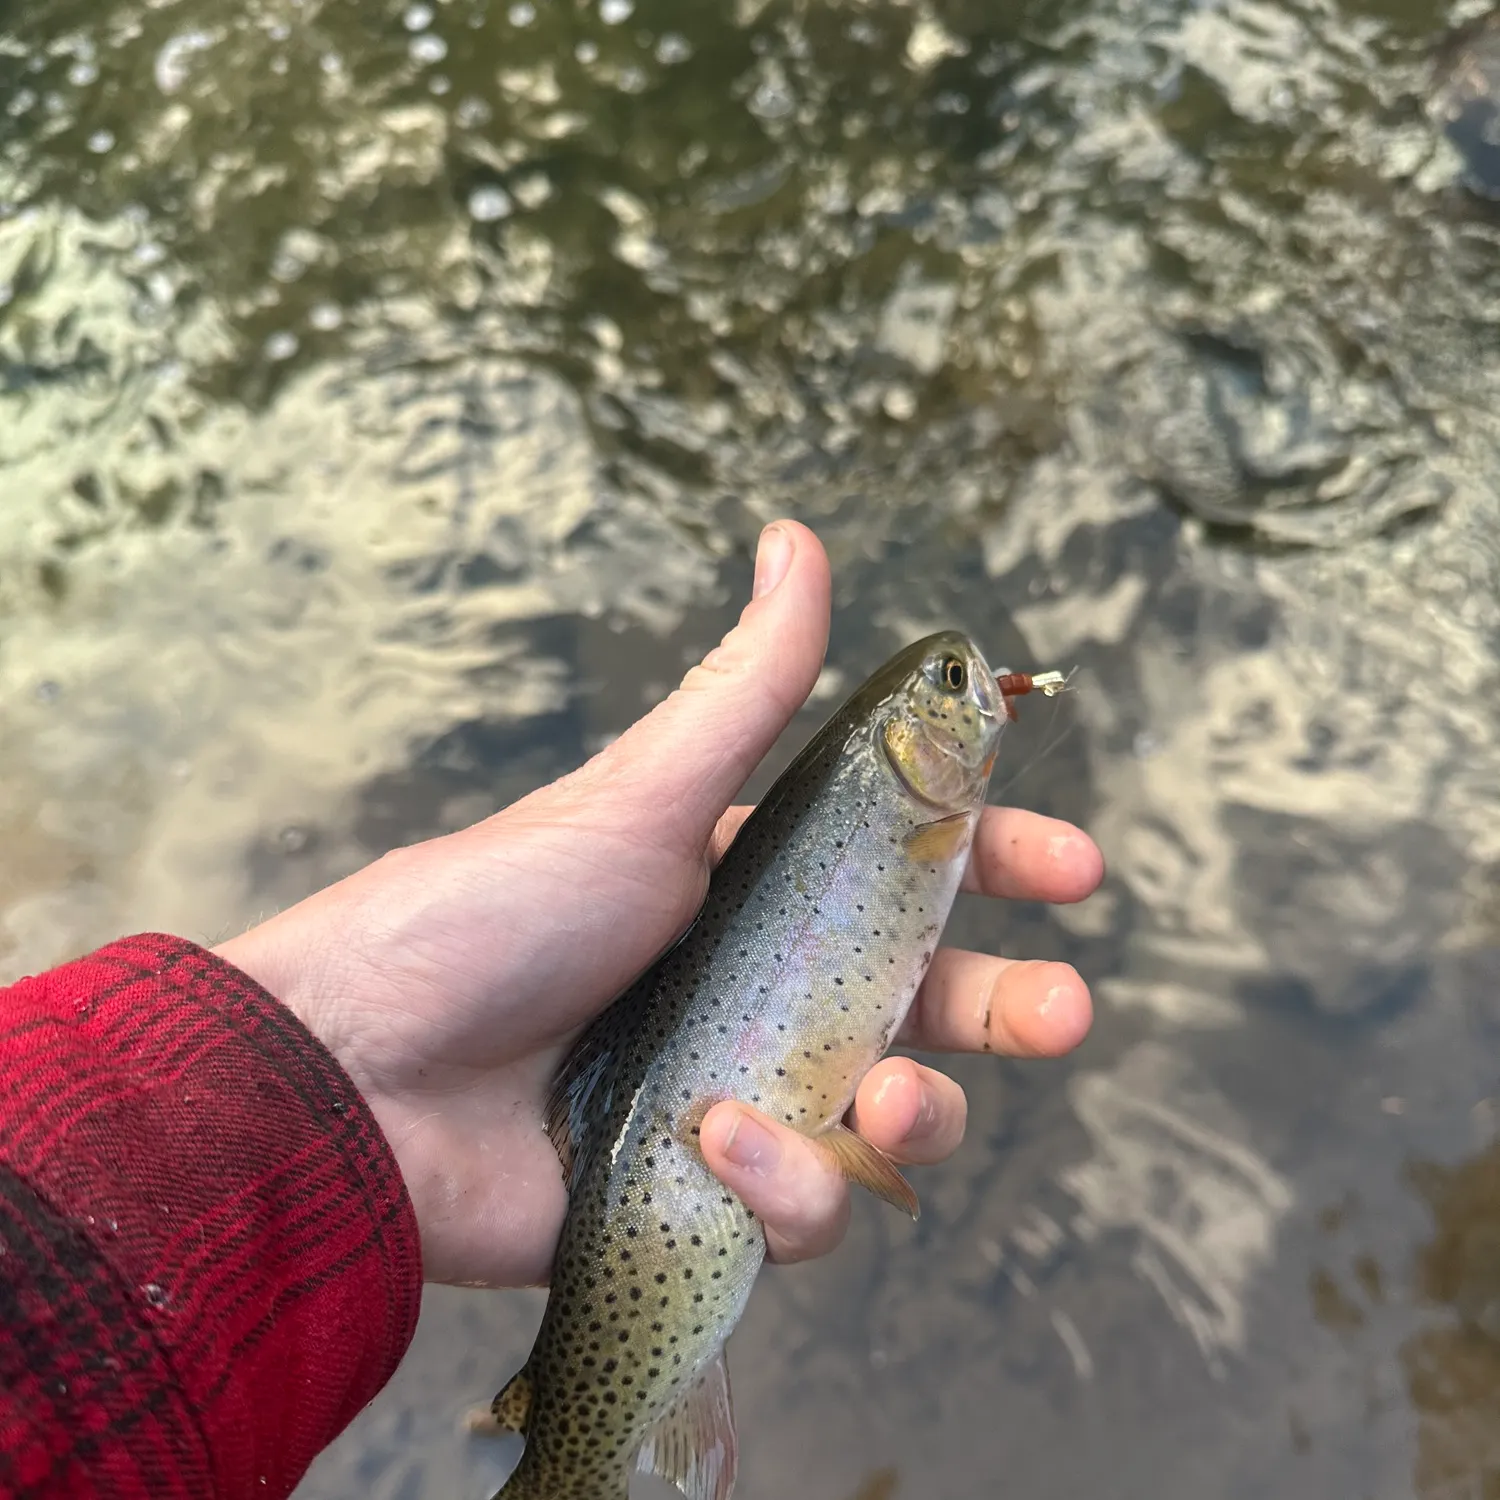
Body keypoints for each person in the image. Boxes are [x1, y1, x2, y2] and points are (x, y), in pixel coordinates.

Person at [0, 522, 1103, 1499]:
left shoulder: (922, 822)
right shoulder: (921, 825)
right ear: (912, 747)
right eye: (953, 686)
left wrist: (325, 1081)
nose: (977, 689)